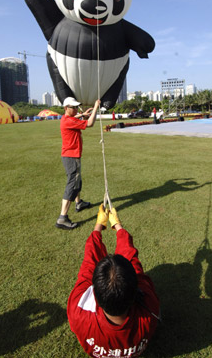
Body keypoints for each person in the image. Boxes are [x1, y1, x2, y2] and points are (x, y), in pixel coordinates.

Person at [67, 206, 160, 357]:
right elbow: (132, 260)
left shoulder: (78, 312)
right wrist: (118, 226)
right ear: (135, 291)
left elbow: (88, 264)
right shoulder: (150, 310)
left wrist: (99, 225)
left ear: (95, 293)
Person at [55, 97, 101, 230]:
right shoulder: (69, 121)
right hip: (71, 156)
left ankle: (79, 203)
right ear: (65, 108)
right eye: (73, 107)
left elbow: (76, 117)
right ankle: (62, 218)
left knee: (77, 181)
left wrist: (82, 114)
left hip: (71, 156)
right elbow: (90, 123)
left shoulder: (66, 118)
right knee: (72, 184)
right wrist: (96, 107)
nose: (75, 109)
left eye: (76, 107)